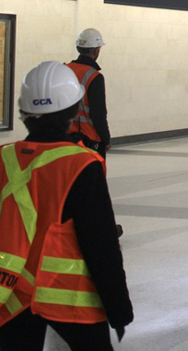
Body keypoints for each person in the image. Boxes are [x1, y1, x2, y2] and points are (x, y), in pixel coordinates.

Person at [0, 61, 133, 351]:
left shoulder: (4, 157)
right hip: (69, 295)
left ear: (23, 112)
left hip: (11, 293)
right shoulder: (81, 164)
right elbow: (101, 244)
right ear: (73, 110)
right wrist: (118, 309)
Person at [66, 29, 111, 158]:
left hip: (64, 137)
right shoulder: (94, 77)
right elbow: (99, 114)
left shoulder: (64, 70)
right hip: (88, 139)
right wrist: (106, 139)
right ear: (97, 51)